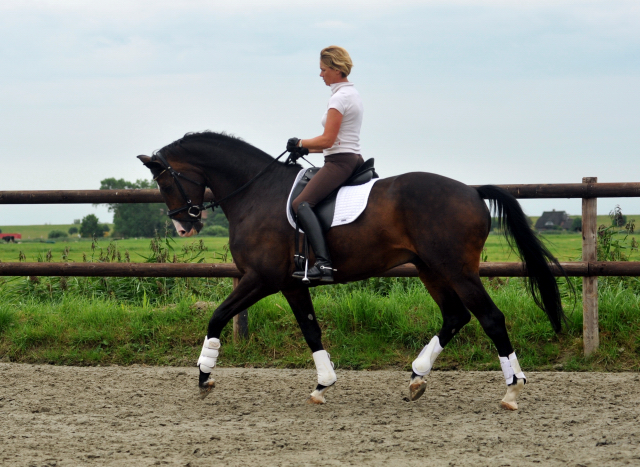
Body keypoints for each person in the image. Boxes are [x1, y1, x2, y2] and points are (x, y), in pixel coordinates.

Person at [287, 45, 364, 283]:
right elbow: (331, 143)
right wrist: (304, 148)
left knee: (301, 203)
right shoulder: (349, 94)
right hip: (345, 156)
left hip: (340, 162)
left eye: (323, 70)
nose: (320, 75)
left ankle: (324, 265)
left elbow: (328, 140)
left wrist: (300, 141)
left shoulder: (340, 98)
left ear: (335, 68)